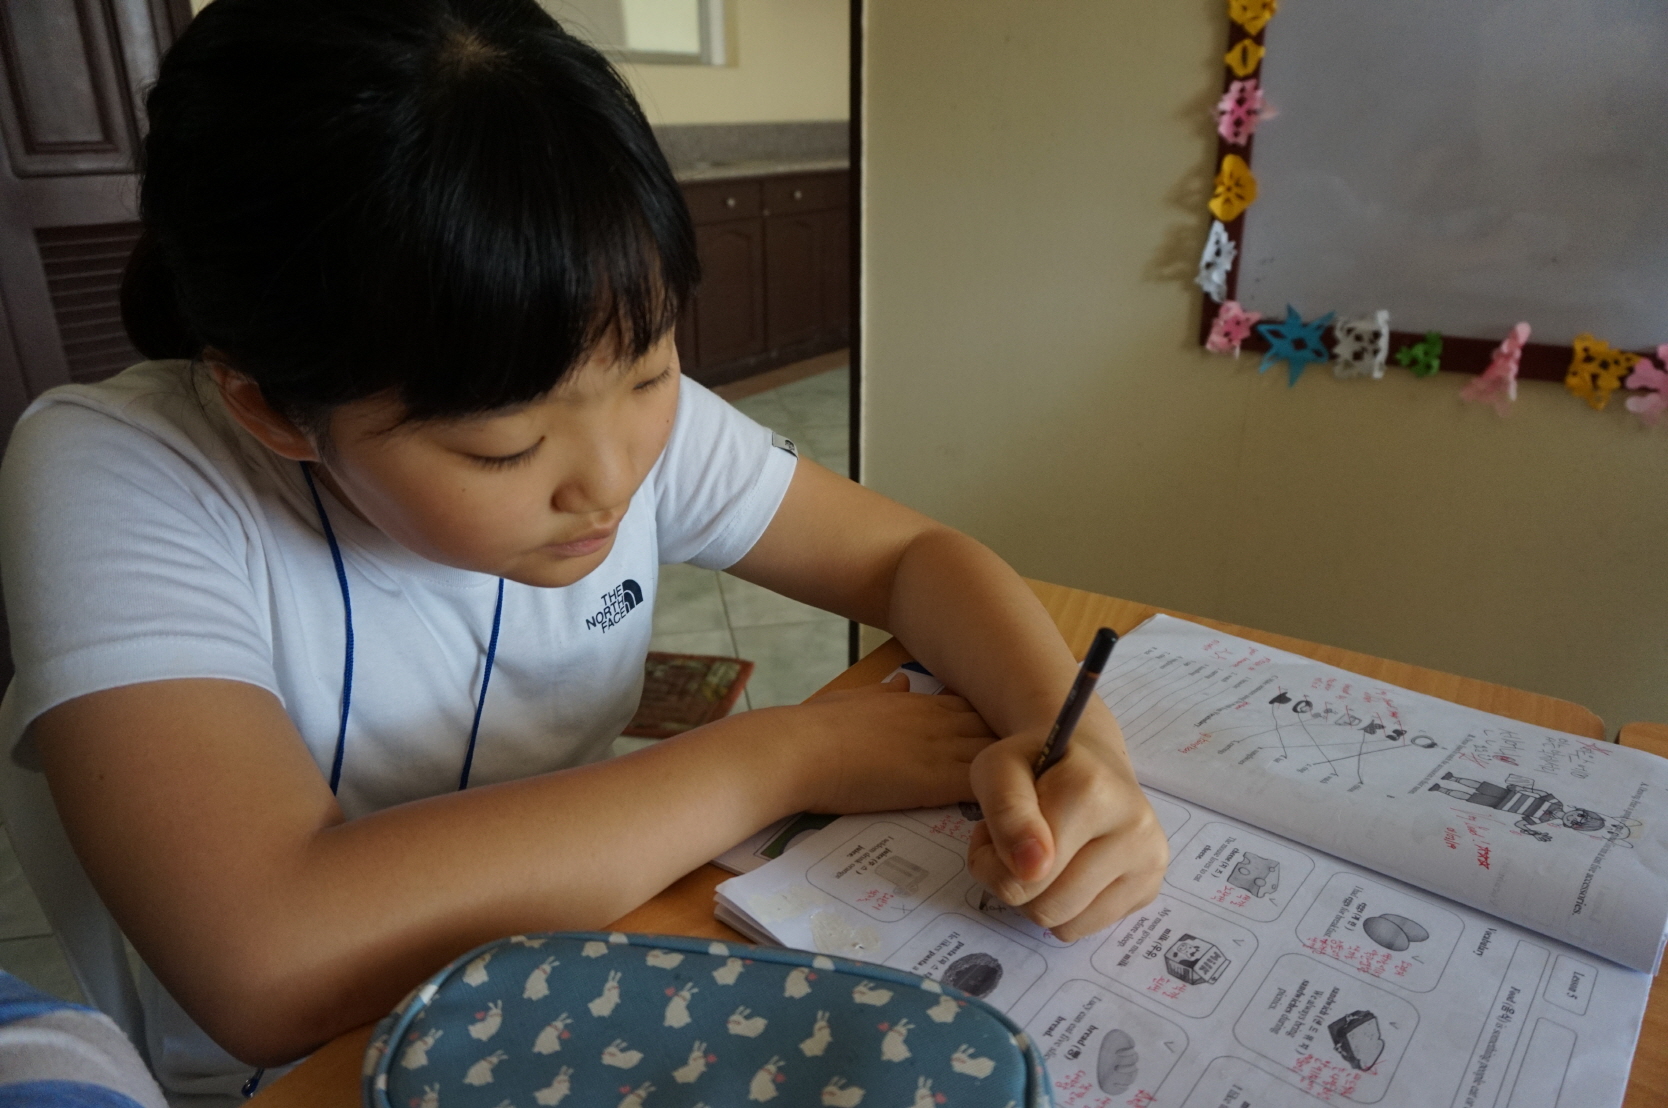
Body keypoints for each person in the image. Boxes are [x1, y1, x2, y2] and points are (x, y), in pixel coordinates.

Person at [0, 0, 1166, 1101]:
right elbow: (268, 958)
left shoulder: (609, 413)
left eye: (652, 370)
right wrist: (784, 756)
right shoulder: (118, 470)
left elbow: (908, 554)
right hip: (318, 1064)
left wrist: (1070, 737)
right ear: (270, 408)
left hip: (578, 966)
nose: (611, 477)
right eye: (504, 449)